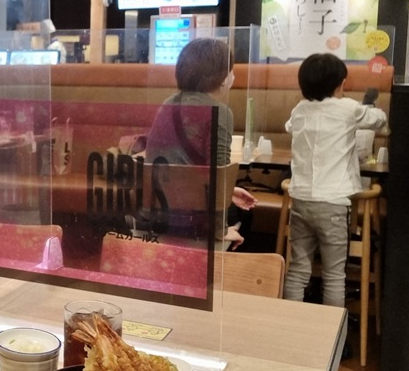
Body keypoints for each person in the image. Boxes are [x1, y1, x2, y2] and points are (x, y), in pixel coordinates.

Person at [282, 53, 387, 308]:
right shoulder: (348, 108)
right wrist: (369, 107)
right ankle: (333, 332)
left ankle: (290, 324)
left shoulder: (299, 110)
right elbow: (379, 119)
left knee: (297, 271)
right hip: (333, 204)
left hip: (301, 200)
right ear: (340, 84)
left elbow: (289, 127)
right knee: (334, 275)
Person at [145, 37, 257, 248]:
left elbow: (176, 163)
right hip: (190, 217)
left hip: (156, 211)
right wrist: (220, 230)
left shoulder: (168, 103)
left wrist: (230, 192)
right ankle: (229, 266)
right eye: (231, 70)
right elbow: (218, 172)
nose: (233, 75)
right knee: (245, 215)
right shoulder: (220, 112)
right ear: (222, 78)